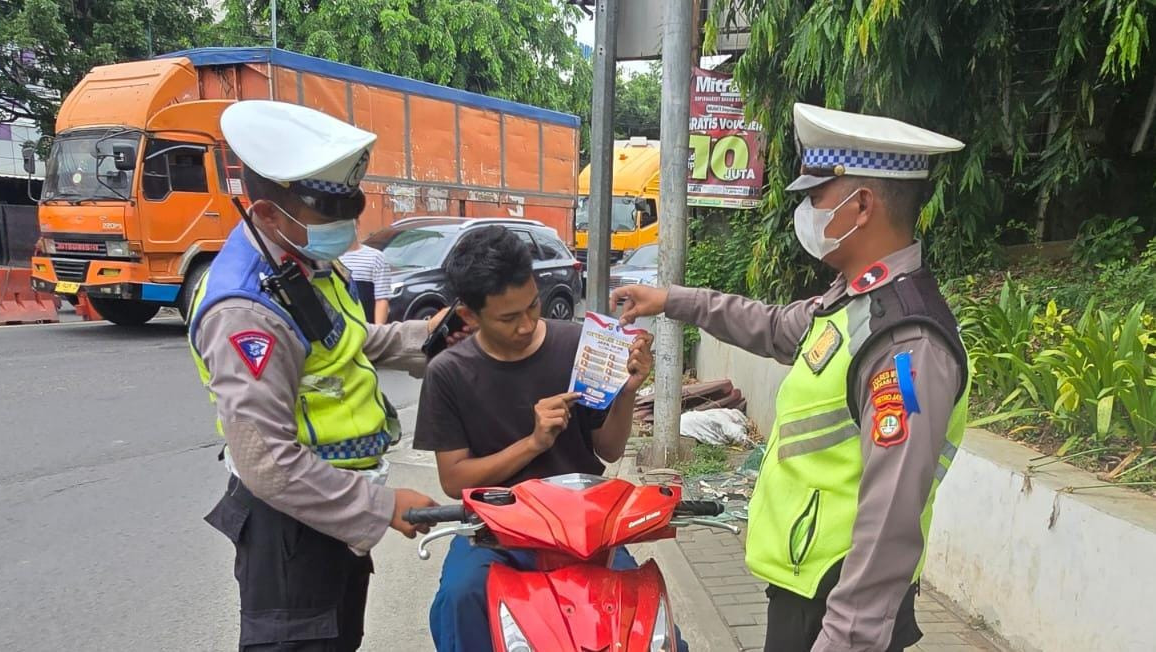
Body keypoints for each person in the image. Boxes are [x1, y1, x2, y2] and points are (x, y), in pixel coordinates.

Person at [612, 103, 970, 652]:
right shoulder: (856, 302)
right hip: (808, 585)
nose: (807, 211)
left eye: (817, 197)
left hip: (838, 601)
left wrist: (845, 638)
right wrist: (670, 300)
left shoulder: (905, 342)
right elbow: (775, 326)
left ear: (863, 206)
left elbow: (890, 518)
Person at [189, 100, 465, 652]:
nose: (348, 227)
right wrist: (382, 507)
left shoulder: (302, 261)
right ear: (269, 214)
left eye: (350, 208)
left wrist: (428, 336)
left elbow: (344, 342)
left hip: (332, 510)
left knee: (339, 641)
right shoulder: (246, 312)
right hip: (293, 524)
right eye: (330, 214)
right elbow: (267, 461)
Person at [412, 225, 666, 652]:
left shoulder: (579, 345)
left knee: (647, 621)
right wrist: (532, 443)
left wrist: (627, 392)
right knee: (460, 597)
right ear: (471, 316)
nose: (527, 324)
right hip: (495, 535)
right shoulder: (449, 373)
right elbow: (454, 481)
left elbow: (609, 448)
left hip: (585, 533)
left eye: (533, 305)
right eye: (509, 318)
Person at [339, 239, 392, 324]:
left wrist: (378, 331)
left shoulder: (376, 257)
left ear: (357, 225)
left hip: (368, 328)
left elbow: (382, 299)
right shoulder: (329, 259)